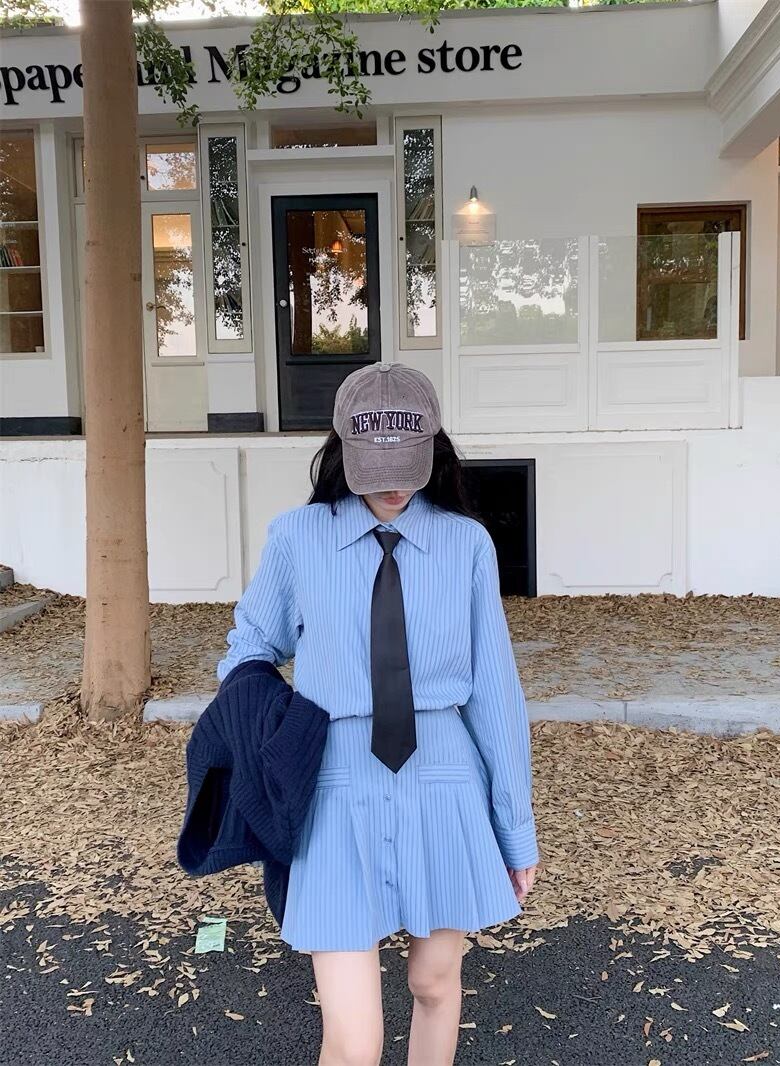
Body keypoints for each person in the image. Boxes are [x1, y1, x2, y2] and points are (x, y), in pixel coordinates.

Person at [217, 362, 539, 1066]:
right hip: (335, 784)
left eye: (406, 467)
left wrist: (515, 830)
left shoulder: (466, 544)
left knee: (434, 982)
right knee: (355, 1040)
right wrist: (264, 716)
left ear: (434, 450)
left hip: (445, 777)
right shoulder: (297, 538)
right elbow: (250, 644)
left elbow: (495, 692)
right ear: (342, 452)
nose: (393, 486)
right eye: (374, 468)